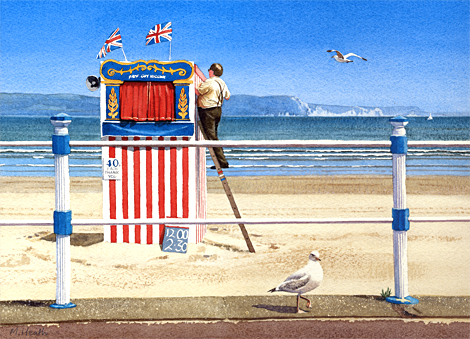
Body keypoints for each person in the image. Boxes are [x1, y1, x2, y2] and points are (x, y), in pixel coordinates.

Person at [196, 63, 231, 169]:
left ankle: (222, 162)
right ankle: (221, 161)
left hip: (207, 111)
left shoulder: (209, 82)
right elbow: (227, 97)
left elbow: (198, 91)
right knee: (214, 135)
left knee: (212, 137)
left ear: (211, 71)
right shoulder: (222, 82)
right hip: (218, 110)